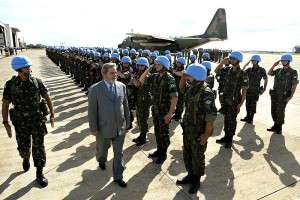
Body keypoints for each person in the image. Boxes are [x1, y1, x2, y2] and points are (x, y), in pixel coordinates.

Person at [2, 55, 55, 187]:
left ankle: (39, 173)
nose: (29, 68)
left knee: (39, 147)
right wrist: (5, 122)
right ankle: (25, 158)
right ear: (19, 69)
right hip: (20, 122)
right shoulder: (10, 85)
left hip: (37, 119)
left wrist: (52, 114)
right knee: (24, 146)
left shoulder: (37, 81)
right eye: (26, 66)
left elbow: (47, 98)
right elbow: (5, 105)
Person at [176, 64, 217, 194]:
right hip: (188, 130)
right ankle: (190, 175)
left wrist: (205, 135)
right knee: (187, 154)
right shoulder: (192, 88)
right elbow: (181, 88)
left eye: (189, 76)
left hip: (198, 132)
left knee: (197, 156)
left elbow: (210, 118)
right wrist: (183, 76)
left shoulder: (206, 92)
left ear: (197, 77)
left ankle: (196, 180)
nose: (187, 77)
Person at [88, 63, 130, 188]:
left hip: (119, 127)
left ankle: (118, 177)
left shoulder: (121, 86)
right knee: (102, 150)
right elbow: (92, 111)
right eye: (112, 73)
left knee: (119, 154)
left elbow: (125, 105)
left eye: (115, 72)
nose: (115, 75)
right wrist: (93, 128)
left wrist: (128, 120)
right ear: (103, 74)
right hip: (103, 128)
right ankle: (101, 160)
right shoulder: (95, 89)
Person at [139, 56, 178, 164]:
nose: (156, 66)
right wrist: (149, 68)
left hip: (164, 111)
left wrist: (170, 114)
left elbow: (175, 97)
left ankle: (163, 154)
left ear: (165, 66)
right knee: (157, 131)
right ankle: (159, 150)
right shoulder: (155, 77)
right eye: (156, 64)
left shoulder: (170, 78)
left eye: (158, 64)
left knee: (163, 133)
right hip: (156, 110)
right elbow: (141, 80)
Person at [215, 51, 249, 148]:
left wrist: (241, 103)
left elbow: (244, 90)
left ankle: (230, 139)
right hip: (225, 100)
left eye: (234, 58)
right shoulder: (227, 69)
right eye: (231, 58)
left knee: (232, 120)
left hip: (234, 101)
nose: (231, 60)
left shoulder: (243, 73)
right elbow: (216, 71)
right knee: (226, 118)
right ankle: (226, 136)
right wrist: (222, 62)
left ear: (238, 60)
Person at [267, 53, 298, 134]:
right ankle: (275, 125)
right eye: (282, 60)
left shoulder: (293, 72)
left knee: (280, 111)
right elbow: (269, 73)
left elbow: (294, 84)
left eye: (285, 60)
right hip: (275, 94)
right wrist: (274, 65)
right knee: (273, 110)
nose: (283, 62)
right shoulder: (278, 70)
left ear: (289, 61)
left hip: (283, 95)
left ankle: (279, 127)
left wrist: (290, 96)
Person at [241, 55, 268, 123]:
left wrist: (264, 89)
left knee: (253, 104)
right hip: (248, 90)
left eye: (254, 60)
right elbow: (242, 72)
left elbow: (266, 79)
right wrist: (246, 65)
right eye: (252, 60)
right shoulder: (249, 69)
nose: (253, 62)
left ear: (258, 61)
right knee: (247, 104)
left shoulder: (261, 70)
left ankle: (251, 117)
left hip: (255, 91)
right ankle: (247, 116)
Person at [131, 57, 152, 146]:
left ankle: (143, 137)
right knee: (139, 118)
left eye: (142, 66)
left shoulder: (147, 75)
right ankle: (141, 135)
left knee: (143, 118)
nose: (139, 67)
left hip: (144, 100)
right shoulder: (139, 73)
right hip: (139, 99)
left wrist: (133, 78)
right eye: (138, 65)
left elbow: (137, 84)